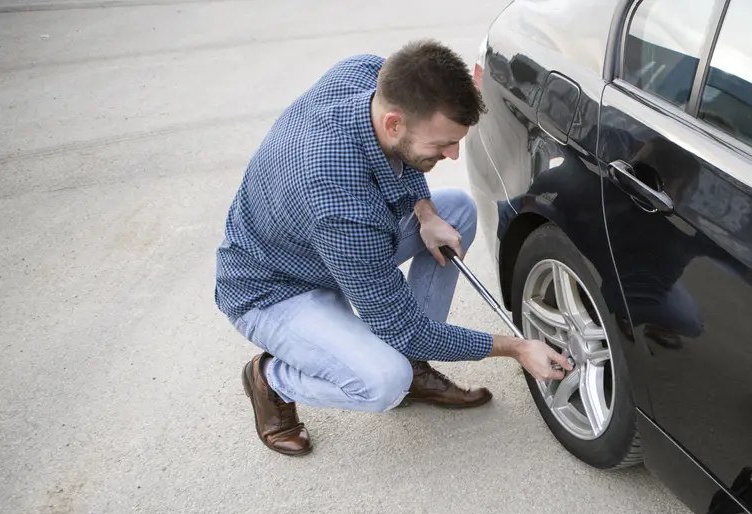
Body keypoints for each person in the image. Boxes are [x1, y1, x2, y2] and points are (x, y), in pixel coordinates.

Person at [214, 40, 570, 456]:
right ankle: (270, 379)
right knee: (384, 380)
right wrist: (517, 347)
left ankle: (415, 368)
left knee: (453, 210)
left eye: (455, 142)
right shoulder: (341, 203)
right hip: (274, 288)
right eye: (441, 146)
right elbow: (403, 328)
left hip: (323, 246)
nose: (453, 155)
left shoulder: (366, 73)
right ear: (394, 123)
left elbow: (404, 159)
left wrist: (425, 212)